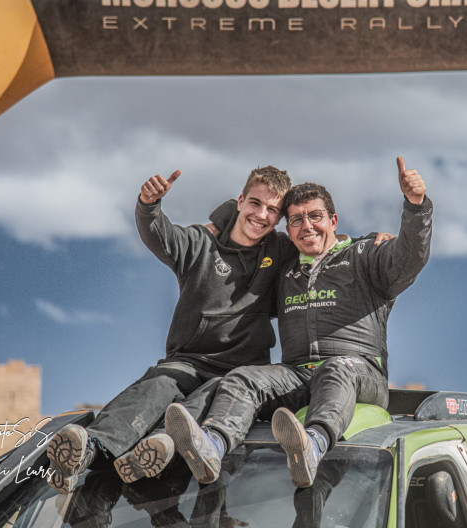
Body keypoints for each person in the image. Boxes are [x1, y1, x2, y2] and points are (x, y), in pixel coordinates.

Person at [164, 156, 432, 488]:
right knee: (244, 377)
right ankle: (213, 446)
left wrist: (416, 207)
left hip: (359, 372)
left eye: (315, 216)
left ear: (333, 220)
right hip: (298, 374)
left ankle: (312, 446)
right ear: (287, 229)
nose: (307, 227)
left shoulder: (365, 257)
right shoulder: (283, 271)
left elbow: (409, 257)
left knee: (337, 368)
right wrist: (216, 226)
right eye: (296, 220)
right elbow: (243, 239)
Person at [45, 165, 294, 493]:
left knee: (212, 397)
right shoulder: (200, 243)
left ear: (279, 218)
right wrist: (149, 205)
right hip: (188, 360)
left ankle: (161, 445)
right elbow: (160, 235)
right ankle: (88, 448)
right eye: (255, 203)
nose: (261, 215)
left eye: (272, 210)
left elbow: (319, 245)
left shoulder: (280, 251)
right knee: (158, 385)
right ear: (240, 201)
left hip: (239, 374)